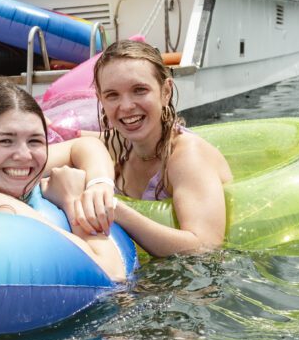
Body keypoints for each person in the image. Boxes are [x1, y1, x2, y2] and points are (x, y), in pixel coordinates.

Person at [50, 41, 232, 257]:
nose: (126, 106)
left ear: (165, 92)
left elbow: (205, 247)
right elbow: (57, 152)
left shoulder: (187, 157)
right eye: (112, 95)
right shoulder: (117, 143)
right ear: (100, 99)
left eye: (139, 90)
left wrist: (115, 209)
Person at [0, 82, 127, 283]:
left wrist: (99, 184)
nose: (24, 155)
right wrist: (73, 200)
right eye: (5, 141)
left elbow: (85, 145)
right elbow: (111, 273)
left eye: (35, 141)